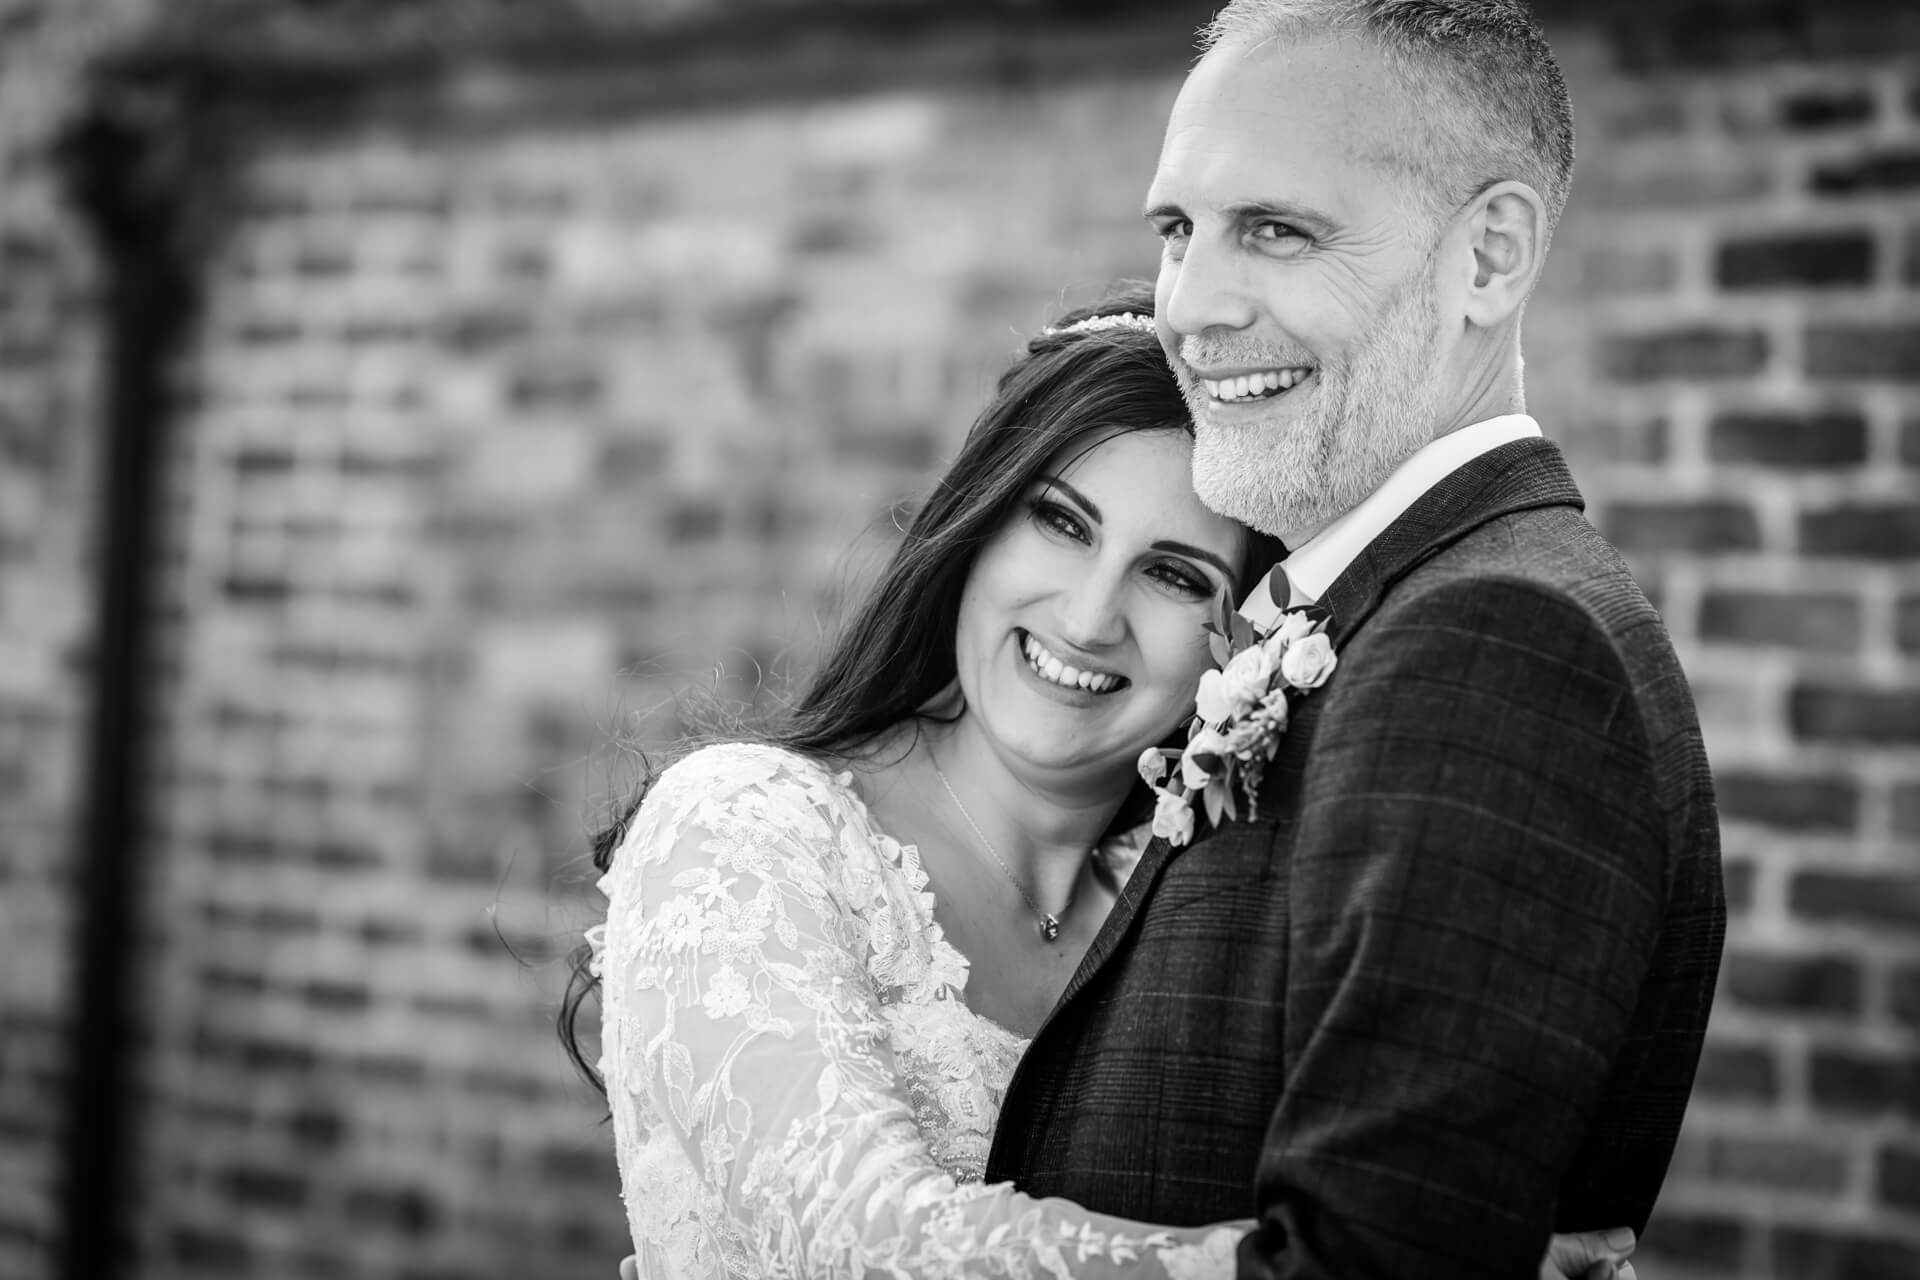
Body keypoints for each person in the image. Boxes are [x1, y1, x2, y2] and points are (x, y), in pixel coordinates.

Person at [569, 284, 1639, 1279]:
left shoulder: (1207, 913)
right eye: (1061, 521)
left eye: (1173, 574)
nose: (1088, 618)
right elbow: (862, 1242)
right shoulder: (746, 831)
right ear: (978, 521)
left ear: (1242, 642)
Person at [982, 3, 1725, 1279]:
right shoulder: (1384, 605)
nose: (1190, 309)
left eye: (1277, 230)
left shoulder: (1496, 646)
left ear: (1488, 255)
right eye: (1178, 229)